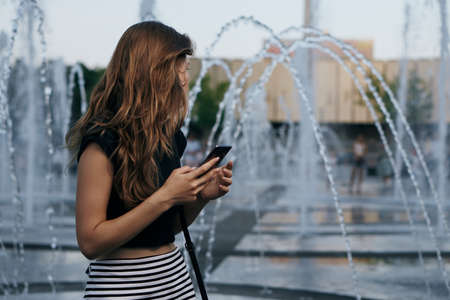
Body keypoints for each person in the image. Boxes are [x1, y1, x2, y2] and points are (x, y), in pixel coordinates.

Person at [65, 21, 233, 299]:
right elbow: (90, 241)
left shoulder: (170, 137)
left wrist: (201, 196)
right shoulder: (102, 142)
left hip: (174, 278)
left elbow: (167, 227)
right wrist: (166, 196)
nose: (184, 79)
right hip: (121, 287)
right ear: (152, 71)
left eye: (186, 69)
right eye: (179, 68)